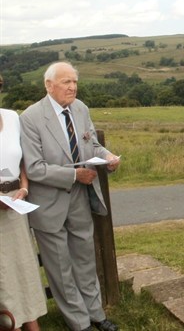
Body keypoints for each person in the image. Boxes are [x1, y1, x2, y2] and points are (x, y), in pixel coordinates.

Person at [19, 62, 121, 331]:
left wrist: (108, 156)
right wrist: (75, 175)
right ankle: (79, 323)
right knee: (61, 268)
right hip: (48, 205)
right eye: (66, 82)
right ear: (48, 85)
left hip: (79, 199)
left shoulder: (81, 108)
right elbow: (34, 167)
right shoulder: (30, 118)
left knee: (85, 260)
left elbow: (92, 144)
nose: (72, 87)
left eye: (74, 82)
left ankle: (97, 315)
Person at [0, 75, 47, 331]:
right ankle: (11, 324)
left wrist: (24, 188)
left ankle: (31, 322)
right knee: (3, 274)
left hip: (15, 204)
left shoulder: (11, 117)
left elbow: (22, 162)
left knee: (23, 267)